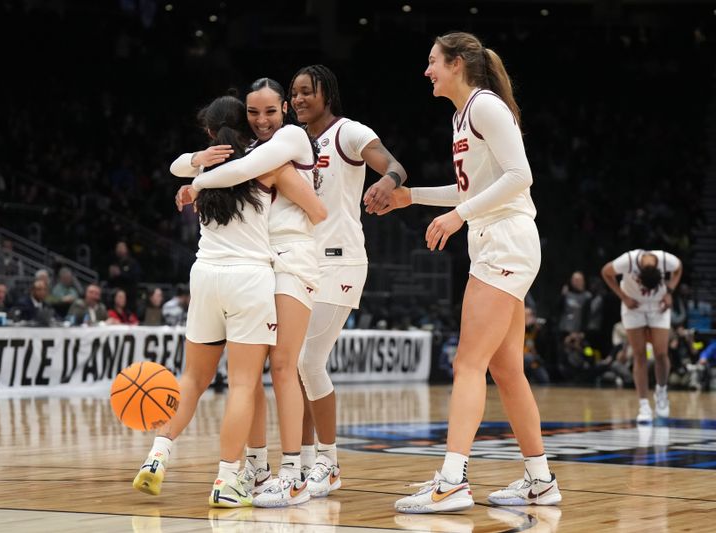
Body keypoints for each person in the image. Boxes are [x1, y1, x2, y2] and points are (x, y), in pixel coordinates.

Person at [378, 32, 561, 512]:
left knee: (467, 364)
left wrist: (459, 217)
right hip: (496, 239)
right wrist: (410, 196)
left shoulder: (485, 106)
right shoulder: (462, 114)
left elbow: (520, 176)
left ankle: (453, 479)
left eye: (433, 61)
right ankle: (540, 480)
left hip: (505, 238)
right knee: (505, 369)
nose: (427, 71)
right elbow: (471, 189)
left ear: (457, 63)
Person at [133, 94, 312, 509]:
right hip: (249, 278)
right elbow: (314, 210)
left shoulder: (206, 165)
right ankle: (227, 480)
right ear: (247, 125)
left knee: (192, 380)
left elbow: (176, 166)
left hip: (205, 275)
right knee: (244, 385)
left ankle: (157, 455)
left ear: (210, 131)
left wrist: (197, 159)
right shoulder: (266, 162)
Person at [172, 77, 328, 507]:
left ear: (286, 111)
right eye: (253, 113)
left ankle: (294, 471)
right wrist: (195, 164)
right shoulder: (253, 153)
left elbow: (313, 208)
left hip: (291, 259)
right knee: (252, 374)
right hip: (262, 265)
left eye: (271, 112)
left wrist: (199, 182)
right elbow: (183, 164)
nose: (262, 120)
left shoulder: (290, 139)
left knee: (283, 366)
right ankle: (257, 468)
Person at [285, 64, 408, 497]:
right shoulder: (294, 141)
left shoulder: (349, 133)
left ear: (326, 93)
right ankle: (299, 463)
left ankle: (329, 462)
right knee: (294, 368)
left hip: (341, 263)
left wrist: (387, 183)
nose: (298, 99)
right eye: (293, 93)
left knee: (307, 361)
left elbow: (394, 164)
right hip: (301, 263)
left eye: (306, 92)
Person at [601, 249, 683, 423]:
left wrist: (669, 291)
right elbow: (606, 272)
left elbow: (678, 268)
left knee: (661, 353)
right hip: (633, 305)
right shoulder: (627, 261)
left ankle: (661, 392)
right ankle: (643, 405)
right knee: (639, 355)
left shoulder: (665, 259)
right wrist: (623, 297)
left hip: (658, 305)